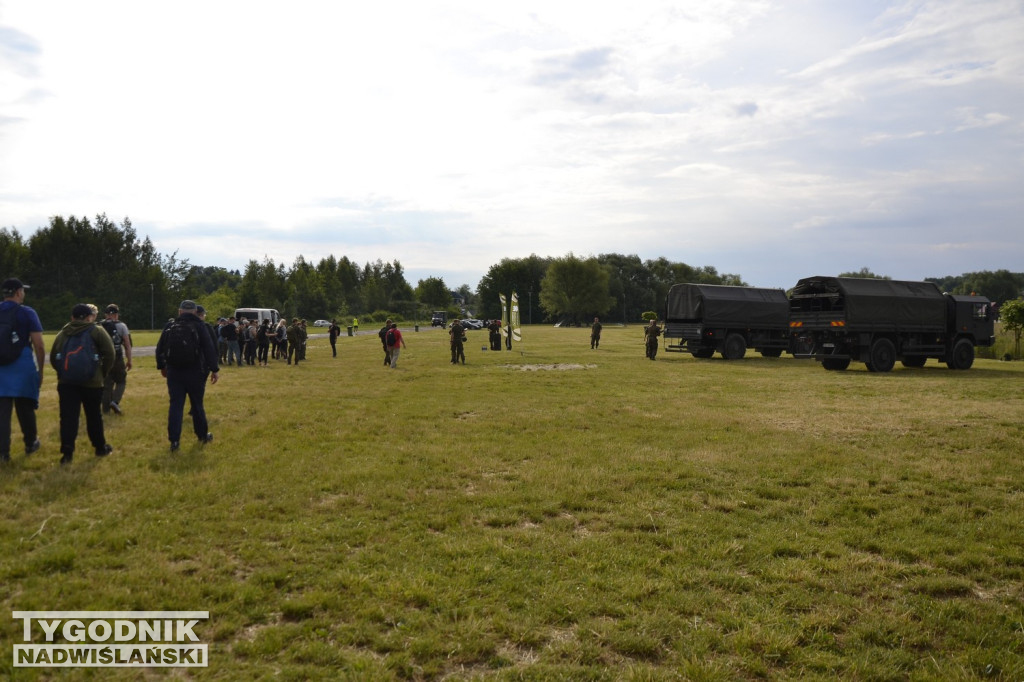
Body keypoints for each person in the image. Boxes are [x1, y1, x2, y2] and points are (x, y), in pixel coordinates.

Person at [49, 303, 116, 465]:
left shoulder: (64, 332)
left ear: (72, 317)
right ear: (89, 317)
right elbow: (110, 354)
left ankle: (67, 452)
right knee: (94, 416)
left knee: (68, 418)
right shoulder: (96, 330)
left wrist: (63, 373)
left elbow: (53, 357)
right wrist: (102, 373)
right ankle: (100, 447)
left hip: (67, 383)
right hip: (92, 383)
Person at [156, 300, 219, 451]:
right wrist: (214, 369)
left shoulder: (170, 326)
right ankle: (202, 435)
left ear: (180, 312)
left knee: (176, 405)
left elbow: (160, 348)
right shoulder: (200, 326)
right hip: (195, 371)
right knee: (197, 405)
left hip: (174, 372)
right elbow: (209, 348)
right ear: (195, 312)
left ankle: (174, 441)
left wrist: (162, 367)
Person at [0, 278, 45, 462]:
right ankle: (30, 443)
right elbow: (39, 345)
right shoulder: (27, 313)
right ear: (18, 292)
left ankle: (3, 453)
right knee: (25, 407)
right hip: (22, 366)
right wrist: (40, 371)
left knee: (2, 413)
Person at [100, 304, 133, 415]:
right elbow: (127, 345)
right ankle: (115, 401)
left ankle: (105, 409)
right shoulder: (122, 326)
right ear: (116, 314)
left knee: (107, 385)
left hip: (104, 359)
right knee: (121, 381)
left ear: (106, 314)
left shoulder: (100, 325)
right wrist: (129, 360)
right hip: (117, 358)